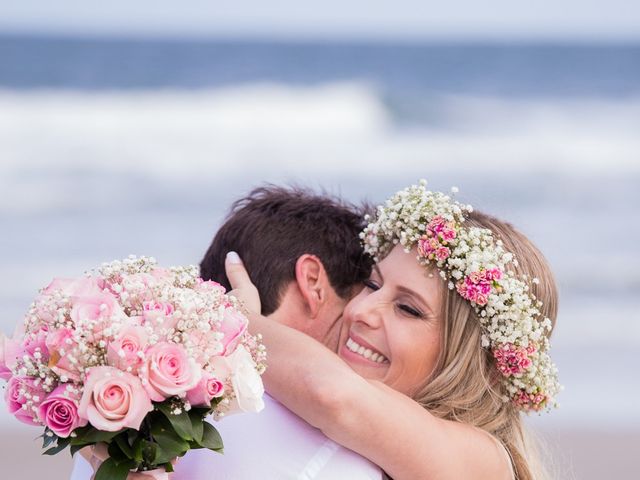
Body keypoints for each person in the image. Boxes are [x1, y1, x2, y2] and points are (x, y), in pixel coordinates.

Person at [224, 181, 560, 480]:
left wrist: (238, 320)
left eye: (407, 309)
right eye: (372, 284)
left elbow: (331, 393)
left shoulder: (486, 462)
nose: (359, 310)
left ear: (470, 357)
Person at [69, 185, 382, 479]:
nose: (365, 319)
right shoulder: (340, 456)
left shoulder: (112, 426)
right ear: (312, 281)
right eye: (363, 293)